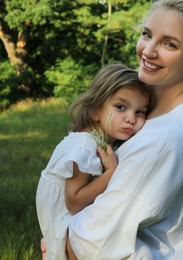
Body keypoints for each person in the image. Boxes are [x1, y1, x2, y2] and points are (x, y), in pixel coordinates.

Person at [66, 0, 183, 259]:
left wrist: (56, 239)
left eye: (169, 44)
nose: (148, 51)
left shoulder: (163, 140)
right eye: (147, 35)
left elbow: (88, 242)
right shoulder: (171, 106)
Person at [36, 62, 155, 259]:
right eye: (120, 107)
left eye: (139, 112)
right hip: (66, 230)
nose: (130, 119)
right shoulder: (85, 148)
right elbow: (73, 201)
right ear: (95, 111)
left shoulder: (98, 141)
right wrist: (110, 172)